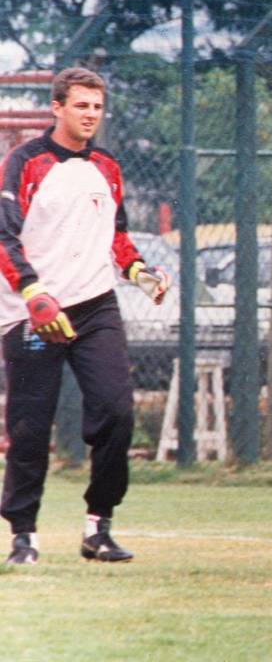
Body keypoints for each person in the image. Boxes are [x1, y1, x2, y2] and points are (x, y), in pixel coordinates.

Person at [0, 67, 172, 564]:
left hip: (96, 305)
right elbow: (4, 236)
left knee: (117, 412)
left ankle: (98, 528)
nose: (90, 114)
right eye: (81, 105)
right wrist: (33, 293)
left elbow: (116, 236)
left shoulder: (106, 165)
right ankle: (23, 537)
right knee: (31, 426)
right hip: (35, 311)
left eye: (97, 107)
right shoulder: (25, 162)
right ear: (57, 107)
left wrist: (140, 273)